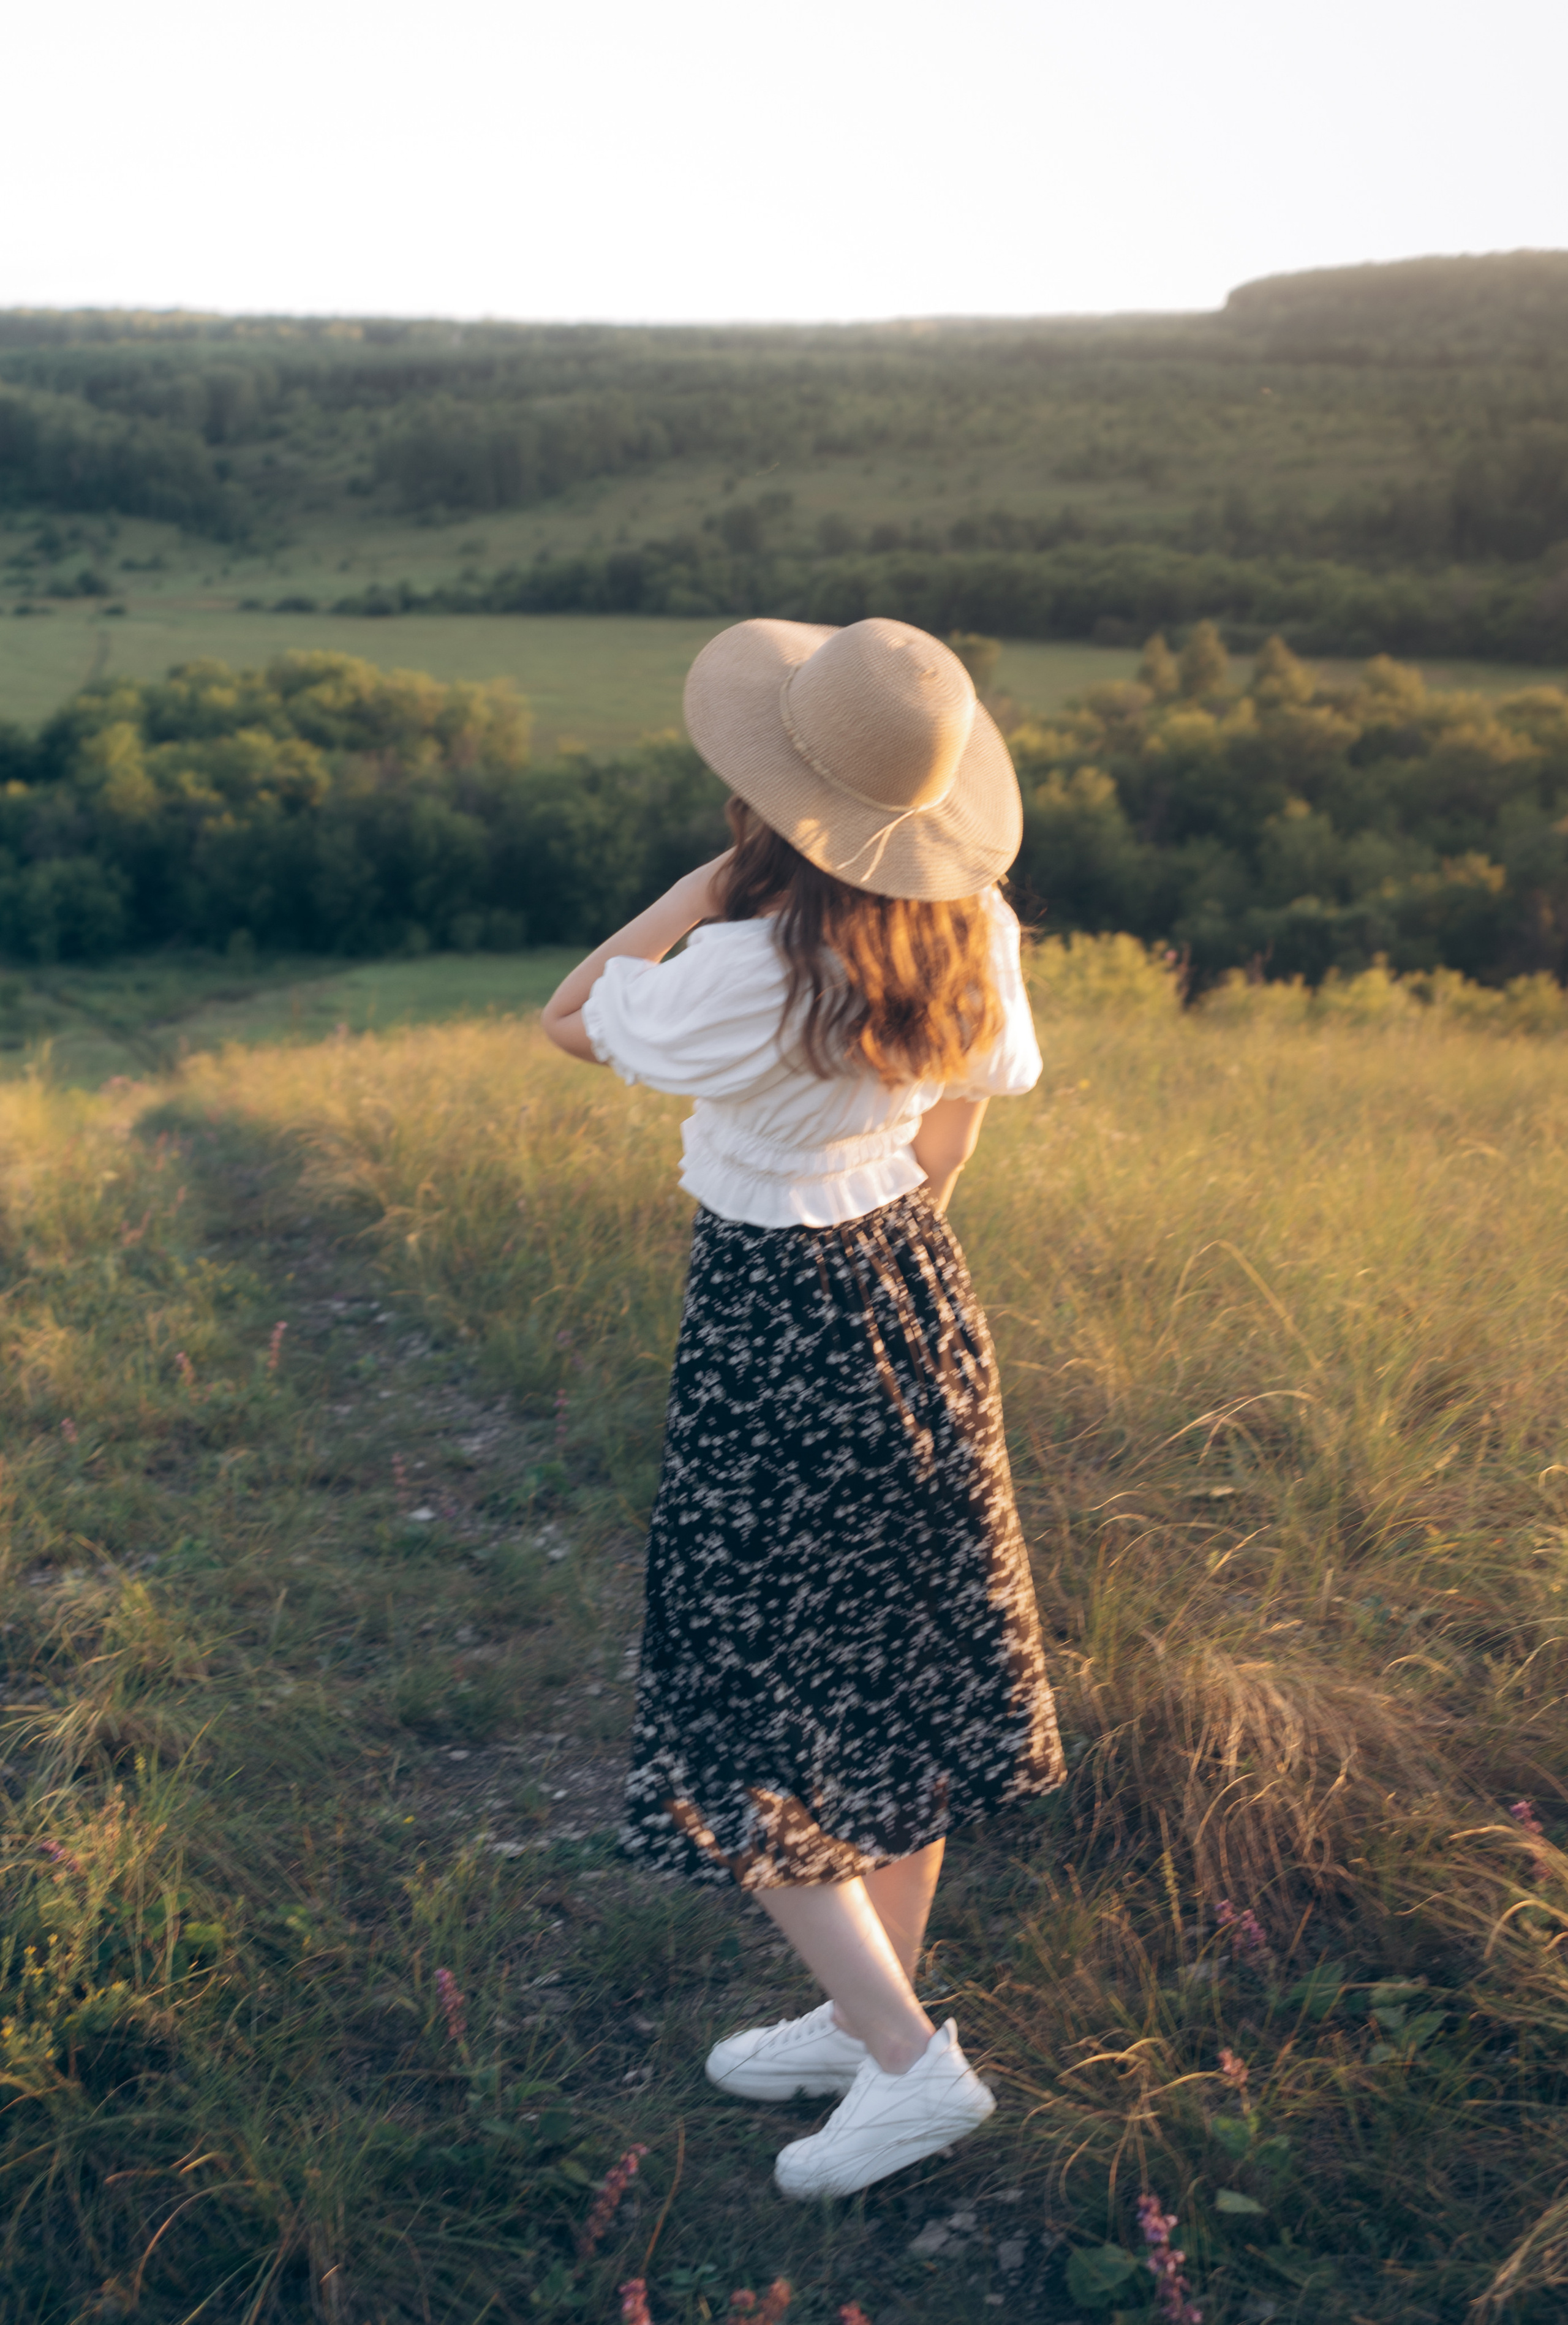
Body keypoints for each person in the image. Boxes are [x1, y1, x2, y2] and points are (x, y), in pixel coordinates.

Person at [542, 616, 1063, 2199]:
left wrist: (715, 882)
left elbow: (569, 1010)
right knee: (897, 1670)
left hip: (780, 1321)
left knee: (751, 1706)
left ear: (773, 804)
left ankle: (911, 2067)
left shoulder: (743, 964)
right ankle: (865, 2013)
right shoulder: (973, 922)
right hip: (917, 1288)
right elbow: (971, 1114)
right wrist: (899, 1192)